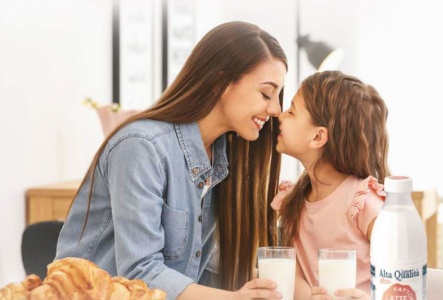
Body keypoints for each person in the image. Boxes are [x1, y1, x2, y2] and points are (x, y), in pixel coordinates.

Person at [55, 21, 287, 300]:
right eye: (265, 93)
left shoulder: (221, 156)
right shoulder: (141, 147)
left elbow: (204, 265)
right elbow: (139, 272)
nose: (275, 109)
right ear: (221, 82)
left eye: (277, 96)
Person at [271, 70, 390, 299]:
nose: (281, 116)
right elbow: (294, 276)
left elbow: (400, 273)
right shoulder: (293, 202)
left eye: (292, 111)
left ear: (317, 137)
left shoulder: (363, 201)